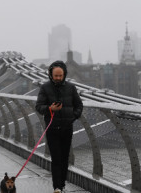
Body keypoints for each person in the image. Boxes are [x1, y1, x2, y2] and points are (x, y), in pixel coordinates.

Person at [35, 61, 83, 193]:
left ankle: (61, 185)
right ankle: (57, 187)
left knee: (64, 158)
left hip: (67, 128)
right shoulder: (45, 88)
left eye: (60, 75)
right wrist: (50, 108)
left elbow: (79, 105)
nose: (58, 78)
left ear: (64, 75)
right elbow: (38, 107)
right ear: (51, 75)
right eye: (55, 75)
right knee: (56, 158)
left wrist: (73, 116)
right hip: (52, 129)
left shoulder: (71, 88)